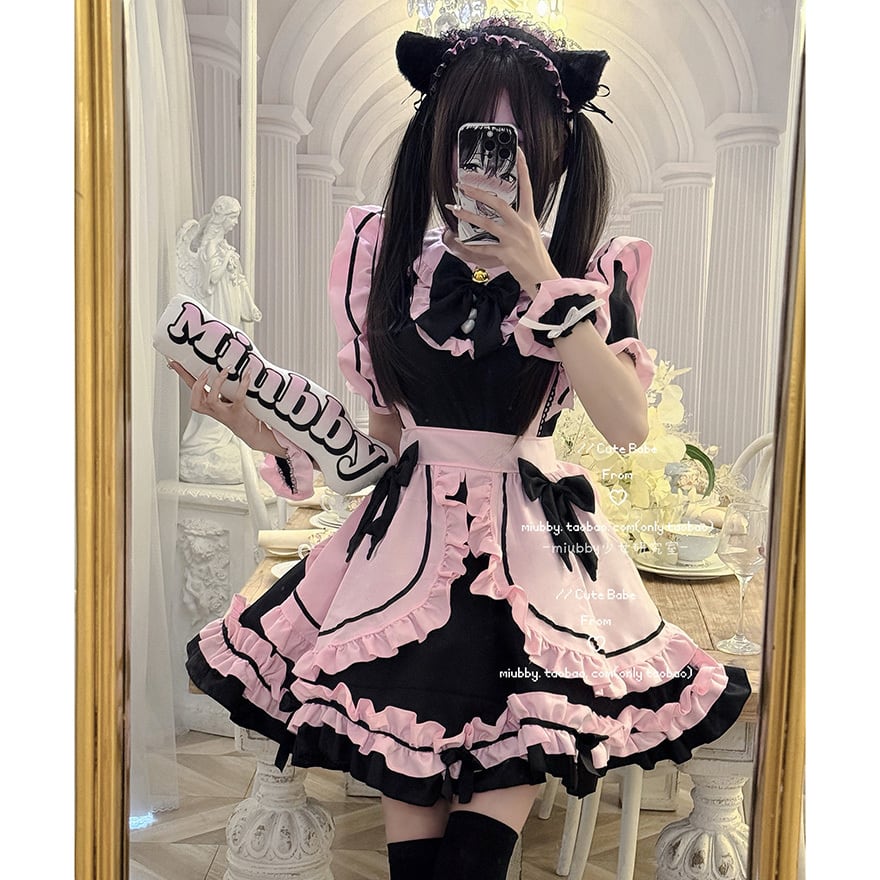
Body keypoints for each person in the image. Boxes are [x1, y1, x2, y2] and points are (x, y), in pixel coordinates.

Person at [176, 17, 750, 879]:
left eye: (515, 141)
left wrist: (539, 271)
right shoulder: (383, 259)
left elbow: (627, 425)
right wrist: (256, 426)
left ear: (553, 152)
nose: (490, 161)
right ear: (440, 140)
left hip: (533, 581)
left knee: (474, 864)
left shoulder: (593, 273)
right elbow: (379, 447)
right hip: (403, 569)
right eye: (473, 135)